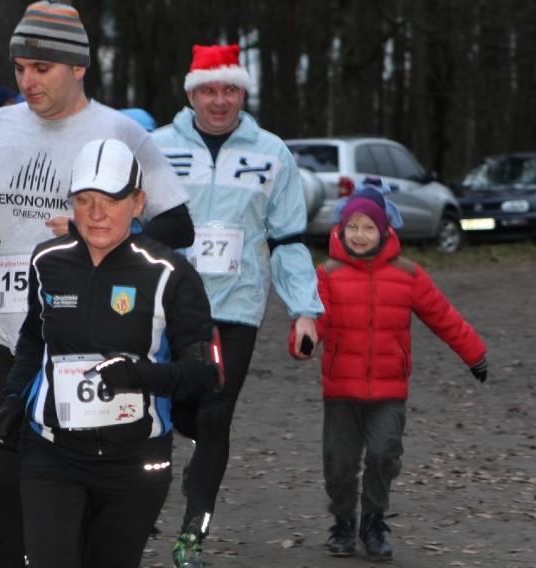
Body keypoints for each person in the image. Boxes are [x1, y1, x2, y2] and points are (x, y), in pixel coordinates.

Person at [0, 3, 195, 566]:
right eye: (21, 66)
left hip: (91, 344)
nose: (28, 80)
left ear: (78, 68)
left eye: (42, 68)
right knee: (2, 469)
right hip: (5, 337)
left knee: (74, 483)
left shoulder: (121, 132)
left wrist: (105, 229)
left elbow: (178, 222)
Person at [0, 138, 222, 568]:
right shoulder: (47, 261)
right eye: (84, 199)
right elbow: (33, 339)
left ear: (138, 203)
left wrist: (140, 377)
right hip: (51, 452)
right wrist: (11, 399)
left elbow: (205, 373)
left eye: (111, 199)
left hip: (135, 460)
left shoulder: (171, 273)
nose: (96, 213)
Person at [151, 43, 324, 567]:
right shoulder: (156, 147)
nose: (219, 101)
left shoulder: (272, 152)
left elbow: (289, 238)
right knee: (175, 412)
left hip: (237, 306)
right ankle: (191, 454)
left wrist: (305, 310)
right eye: (208, 90)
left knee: (216, 415)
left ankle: (191, 535)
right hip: (167, 305)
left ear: (243, 92)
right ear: (190, 94)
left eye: (229, 90)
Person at [315, 183, 488, 560]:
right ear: (341, 228)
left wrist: (474, 353)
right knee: (339, 463)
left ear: (385, 230)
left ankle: (373, 521)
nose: (359, 235)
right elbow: (314, 322)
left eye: (369, 227)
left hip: (389, 390)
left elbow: (443, 316)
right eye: (353, 227)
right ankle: (343, 521)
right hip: (341, 390)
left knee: (384, 455)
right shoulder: (326, 273)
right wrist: (304, 338)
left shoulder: (407, 274)